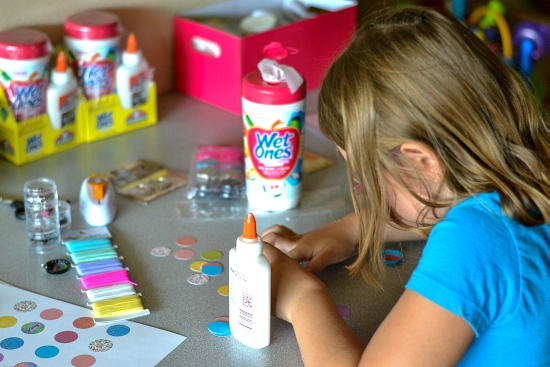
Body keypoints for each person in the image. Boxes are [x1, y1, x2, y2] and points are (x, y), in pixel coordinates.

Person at [260, 6, 550, 367]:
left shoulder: (475, 243)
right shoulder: (529, 170)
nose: (363, 186)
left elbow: (475, 236)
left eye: (363, 173)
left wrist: (300, 296)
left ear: (422, 160)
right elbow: (443, 202)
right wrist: (350, 229)